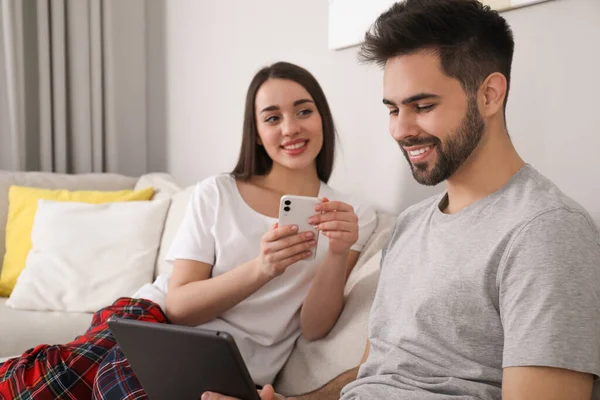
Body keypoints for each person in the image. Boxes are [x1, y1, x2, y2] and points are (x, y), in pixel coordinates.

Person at [206, 0, 600, 399]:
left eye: (423, 106)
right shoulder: (411, 224)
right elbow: (376, 375)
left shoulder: (547, 231)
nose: (400, 129)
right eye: (393, 109)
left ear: (490, 95)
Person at [0, 61, 377, 400]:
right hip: (154, 321)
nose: (291, 127)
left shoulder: (352, 213)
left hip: (233, 364)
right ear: (258, 133)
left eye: (303, 111)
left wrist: (339, 252)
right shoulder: (218, 192)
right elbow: (178, 307)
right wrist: (262, 267)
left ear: (322, 118)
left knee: (111, 383)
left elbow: (313, 328)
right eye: (273, 117)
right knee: (39, 381)